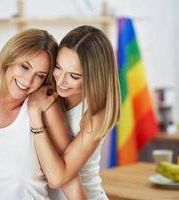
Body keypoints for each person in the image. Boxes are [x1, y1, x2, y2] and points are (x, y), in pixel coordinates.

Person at [0, 28, 87, 200]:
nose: (27, 81)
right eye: (24, 66)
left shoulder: (45, 108)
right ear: (9, 58)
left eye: (40, 76)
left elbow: (69, 180)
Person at [27, 25, 121, 200]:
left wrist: (35, 118)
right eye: (57, 67)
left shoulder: (97, 114)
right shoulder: (44, 90)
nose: (60, 80)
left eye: (74, 76)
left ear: (93, 77)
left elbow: (57, 178)